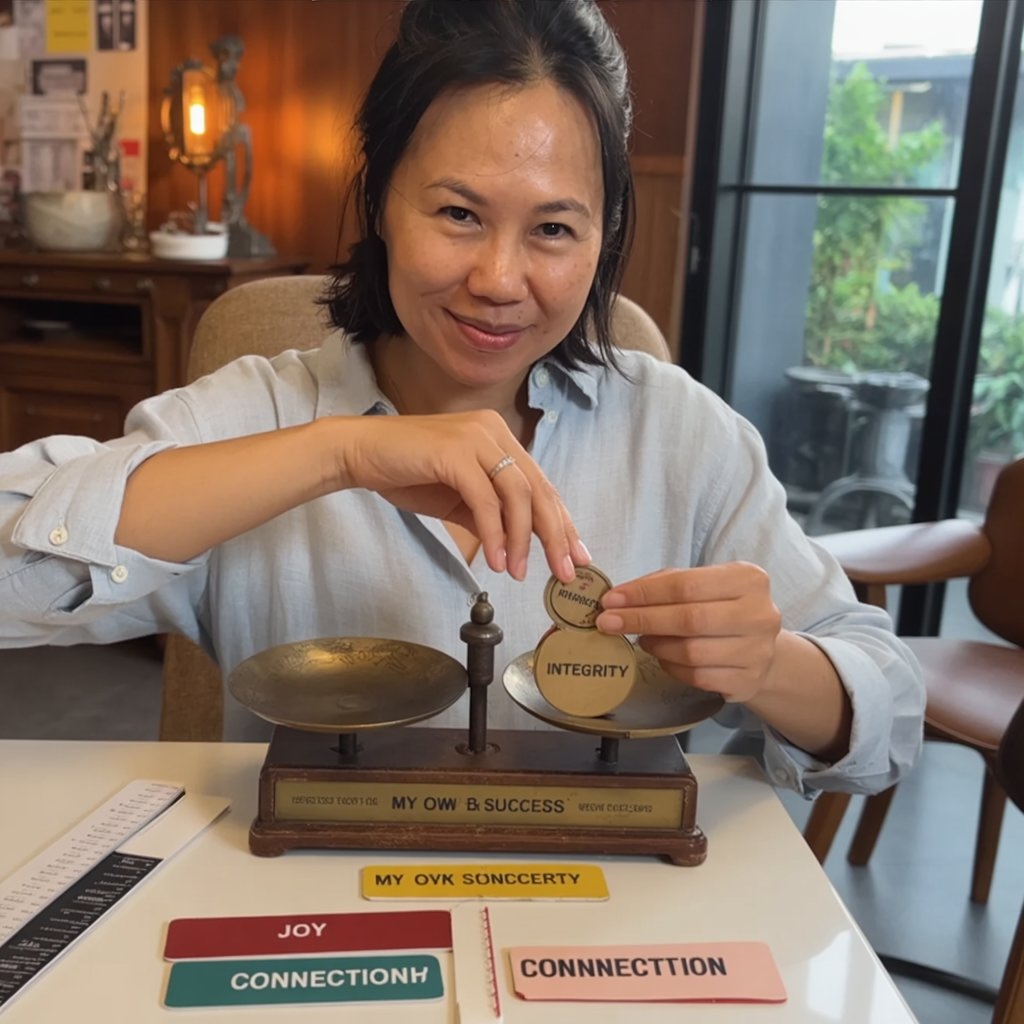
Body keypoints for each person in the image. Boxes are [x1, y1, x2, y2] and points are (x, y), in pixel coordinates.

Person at [0, 0, 922, 798]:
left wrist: (769, 665)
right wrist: (339, 454)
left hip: (598, 938)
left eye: (554, 228)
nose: (499, 278)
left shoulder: (681, 435)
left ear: (605, 239)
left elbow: (890, 719)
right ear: (380, 204)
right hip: (309, 931)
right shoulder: (259, 416)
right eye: (458, 213)